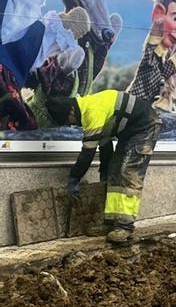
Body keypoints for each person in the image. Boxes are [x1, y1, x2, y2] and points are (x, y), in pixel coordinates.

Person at [46, 89, 161, 244]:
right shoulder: (90, 109)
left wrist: (74, 178)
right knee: (114, 172)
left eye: (69, 121)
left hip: (145, 127)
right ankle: (110, 223)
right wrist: (105, 170)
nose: (71, 124)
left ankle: (125, 227)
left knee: (128, 173)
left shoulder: (92, 112)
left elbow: (87, 153)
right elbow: (105, 147)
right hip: (129, 133)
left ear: (72, 111)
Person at [127, 0, 176, 111]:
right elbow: (142, 92)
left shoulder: (167, 54)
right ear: (159, 13)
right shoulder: (151, 56)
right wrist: (170, 67)